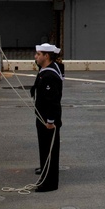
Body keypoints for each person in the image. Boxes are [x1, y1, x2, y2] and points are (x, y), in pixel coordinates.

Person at [30, 42, 64, 192]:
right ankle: (45, 168)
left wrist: (50, 121)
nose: (35, 57)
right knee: (45, 148)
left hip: (47, 119)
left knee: (49, 149)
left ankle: (49, 183)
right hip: (42, 116)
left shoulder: (49, 76)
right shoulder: (48, 69)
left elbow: (53, 101)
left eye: (38, 54)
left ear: (46, 56)